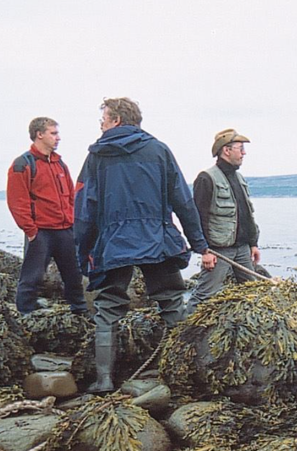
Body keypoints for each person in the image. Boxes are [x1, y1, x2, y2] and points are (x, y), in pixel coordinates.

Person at [75, 97, 215, 393]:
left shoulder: (97, 157)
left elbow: (86, 209)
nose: (101, 125)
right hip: (157, 239)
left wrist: (83, 252)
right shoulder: (158, 150)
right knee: (172, 302)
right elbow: (183, 201)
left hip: (114, 242)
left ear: (116, 120)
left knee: (107, 309)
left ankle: (104, 380)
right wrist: (199, 244)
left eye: (103, 119)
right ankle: (190, 373)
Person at [6, 117, 88, 315]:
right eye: (53, 133)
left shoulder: (60, 164)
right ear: (39, 134)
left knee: (74, 275)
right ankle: (25, 315)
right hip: (40, 232)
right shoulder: (22, 164)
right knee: (32, 277)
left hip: (65, 230)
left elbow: (71, 197)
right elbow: (17, 201)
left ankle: (80, 312)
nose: (58, 138)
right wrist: (31, 230)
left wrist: (72, 222)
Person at [185, 128, 261, 313]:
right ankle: (182, 328)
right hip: (219, 250)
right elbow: (197, 217)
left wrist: (253, 244)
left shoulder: (239, 178)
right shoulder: (206, 178)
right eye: (240, 148)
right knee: (204, 295)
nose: (244, 153)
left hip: (242, 248)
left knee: (253, 292)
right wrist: (204, 251)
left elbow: (246, 214)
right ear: (226, 150)